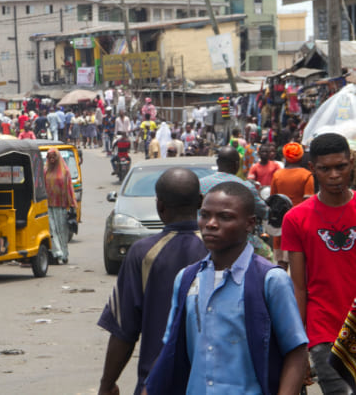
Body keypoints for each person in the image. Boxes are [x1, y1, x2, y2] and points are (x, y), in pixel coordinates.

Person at [144, 181, 308, 395]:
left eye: (225, 217)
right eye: (204, 215)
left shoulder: (270, 280)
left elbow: (296, 351)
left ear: (249, 224)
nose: (211, 224)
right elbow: (170, 349)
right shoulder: (186, 279)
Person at [97, 168, 207, 395]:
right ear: (200, 201)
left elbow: (123, 330)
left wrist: (107, 383)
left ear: (160, 206)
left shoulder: (143, 253)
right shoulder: (220, 250)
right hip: (212, 383)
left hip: (157, 382)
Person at [282, 133, 356, 394]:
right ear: (312, 169)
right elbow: (298, 287)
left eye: (341, 166)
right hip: (324, 332)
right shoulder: (296, 219)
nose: (334, 175)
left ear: (351, 163)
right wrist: (298, 347)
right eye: (325, 169)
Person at [199, 146, 272, 259]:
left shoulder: (200, 184)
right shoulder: (246, 186)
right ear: (237, 165)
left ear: (218, 163)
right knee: (267, 254)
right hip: (236, 241)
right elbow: (262, 211)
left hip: (203, 238)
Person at [269, 142, 314, 269]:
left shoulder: (277, 175)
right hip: (299, 222)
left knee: (281, 263)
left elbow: (273, 198)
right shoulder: (306, 175)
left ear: (285, 156)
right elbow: (308, 202)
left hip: (281, 222)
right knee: (299, 265)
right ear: (301, 156)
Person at [44, 148, 77, 264]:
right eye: (50, 158)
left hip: (61, 206)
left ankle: (64, 254)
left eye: (54, 157)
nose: (52, 160)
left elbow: (70, 189)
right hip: (48, 205)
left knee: (62, 231)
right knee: (52, 230)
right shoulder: (45, 170)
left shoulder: (65, 171)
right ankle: (57, 254)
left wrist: (72, 204)